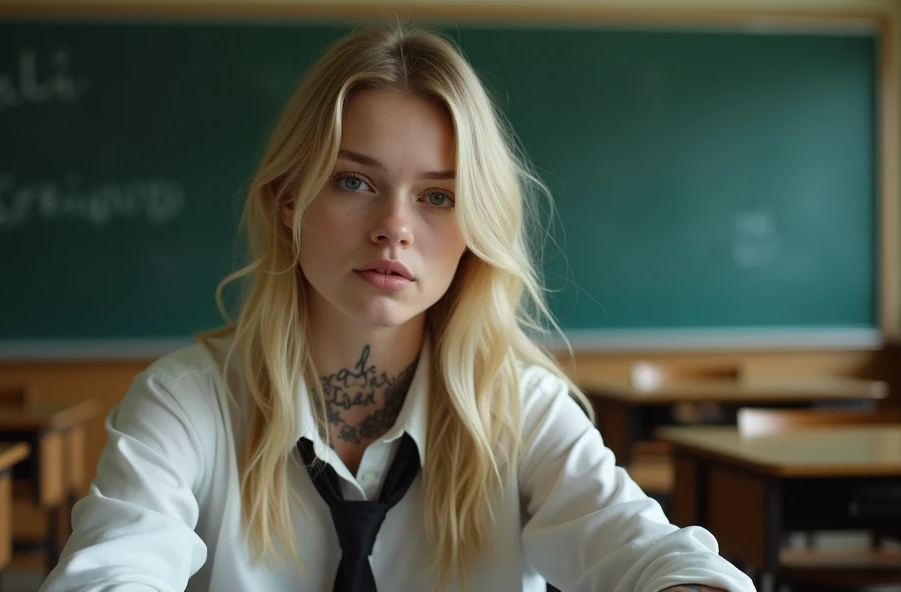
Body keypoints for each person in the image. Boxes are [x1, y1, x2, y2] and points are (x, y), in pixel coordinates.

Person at [40, 24, 755, 592]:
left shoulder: (519, 406)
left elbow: (638, 546)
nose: (395, 227)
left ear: (475, 229)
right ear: (289, 202)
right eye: (355, 182)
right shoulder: (184, 403)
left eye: (438, 196)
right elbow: (113, 566)